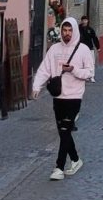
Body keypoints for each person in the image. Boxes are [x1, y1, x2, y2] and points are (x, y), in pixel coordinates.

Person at [31, 16, 96, 181]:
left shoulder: (83, 50)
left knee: (66, 130)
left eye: (70, 31)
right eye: (64, 30)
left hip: (74, 96)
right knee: (63, 132)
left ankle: (59, 167)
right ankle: (75, 160)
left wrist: (74, 69)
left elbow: (90, 73)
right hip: (58, 95)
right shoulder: (54, 49)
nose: (67, 33)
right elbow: (45, 69)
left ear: (74, 31)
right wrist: (36, 86)